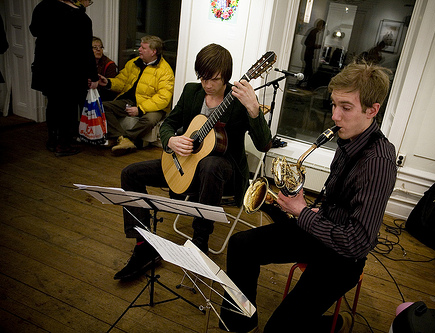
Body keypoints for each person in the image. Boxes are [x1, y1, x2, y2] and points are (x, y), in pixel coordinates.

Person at [220, 61, 397, 333]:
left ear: (372, 110)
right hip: (322, 229)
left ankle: (335, 323)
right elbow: (339, 201)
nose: (335, 117)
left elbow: (357, 243)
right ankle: (240, 325)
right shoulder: (348, 139)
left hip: (342, 258)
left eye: (346, 108)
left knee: (278, 329)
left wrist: (302, 213)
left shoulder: (378, 162)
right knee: (241, 246)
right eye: (334, 105)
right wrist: (308, 208)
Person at [113, 43, 272, 281]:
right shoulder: (191, 91)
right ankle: (144, 244)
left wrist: (253, 110)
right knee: (130, 173)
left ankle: (200, 243)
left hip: (222, 174)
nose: (207, 85)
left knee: (211, 164)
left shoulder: (239, 101)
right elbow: (167, 124)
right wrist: (171, 141)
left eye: (215, 79)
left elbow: (264, 145)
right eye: (203, 77)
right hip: (185, 165)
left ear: (227, 76)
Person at [30, 0, 98, 157]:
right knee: (69, 108)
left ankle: (52, 140)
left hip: (47, 67)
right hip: (70, 71)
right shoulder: (81, 18)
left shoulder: (43, 6)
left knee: (53, 104)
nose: (90, 2)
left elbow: (34, 30)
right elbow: (86, 50)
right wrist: (92, 76)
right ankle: (64, 144)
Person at [97, 35, 175, 156]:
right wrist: (108, 82)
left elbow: (163, 98)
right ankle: (122, 139)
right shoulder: (133, 63)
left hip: (152, 106)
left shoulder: (165, 71)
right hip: (129, 100)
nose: (139, 49)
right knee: (102, 106)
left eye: (143, 48)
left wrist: (141, 109)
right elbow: (122, 81)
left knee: (149, 120)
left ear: (153, 52)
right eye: (140, 46)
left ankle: (125, 139)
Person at [92, 36, 118, 101]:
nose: (99, 49)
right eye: (95, 47)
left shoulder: (109, 65)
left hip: (103, 98)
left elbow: (109, 91)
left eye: (100, 47)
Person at [303, 19, 325, 88]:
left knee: (307, 71)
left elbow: (307, 43)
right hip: (309, 54)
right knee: (309, 71)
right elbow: (309, 44)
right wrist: (319, 46)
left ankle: (304, 84)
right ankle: (308, 85)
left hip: (308, 54)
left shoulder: (313, 32)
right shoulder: (314, 32)